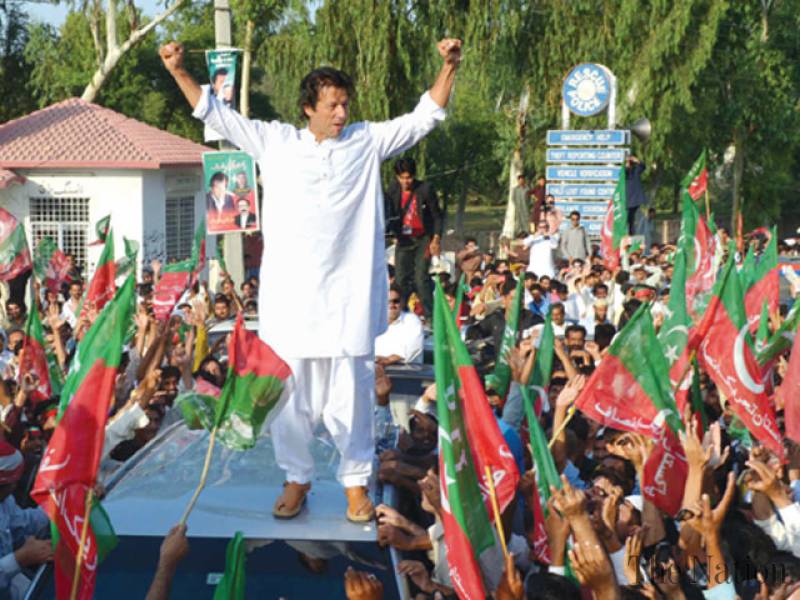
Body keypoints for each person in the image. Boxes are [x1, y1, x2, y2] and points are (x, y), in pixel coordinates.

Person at [160, 37, 462, 522]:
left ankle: (354, 487)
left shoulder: (367, 141)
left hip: (348, 304)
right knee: (290, 404)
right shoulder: (276, 142)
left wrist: (449, 66)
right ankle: (297, 478)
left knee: (353, 403)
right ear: (308, 108)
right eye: (332, 105)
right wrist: (178, 70)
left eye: (345, 104)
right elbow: (216, 113)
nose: (341, 113)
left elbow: (424, 116)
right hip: (291, 305)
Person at [385, 157, 443, 320]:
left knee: (421, 278)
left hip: (423, 238)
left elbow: (437, 216)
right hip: (403, 240)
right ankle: (398, 314)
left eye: (409, 177)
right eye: (402, 178)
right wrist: (392, 234)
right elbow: (388, 213)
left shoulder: (425, 189)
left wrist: (436, 239)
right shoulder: (393, 190)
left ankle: (431, 317)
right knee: (400, 279)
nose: (406, 181)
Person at [374, 285, 424, 366]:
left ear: (402, 302)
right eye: (387, 301)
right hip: (375, 373)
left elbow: (413, 349)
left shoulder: (412, 321)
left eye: (395, 301)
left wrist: (388, 360)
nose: (391, 305)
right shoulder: (372, 323)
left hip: (404, 375)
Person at [624, 155, 647, 234]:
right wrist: (626, 164)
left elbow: (643, 166)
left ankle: (632, 233)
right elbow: (623, 172)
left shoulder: (635, 171)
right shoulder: (624, 173)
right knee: (627, 219)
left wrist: (636, 160)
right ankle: (629, 233)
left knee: (633, 219)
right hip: (627, 200)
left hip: (635, 200)